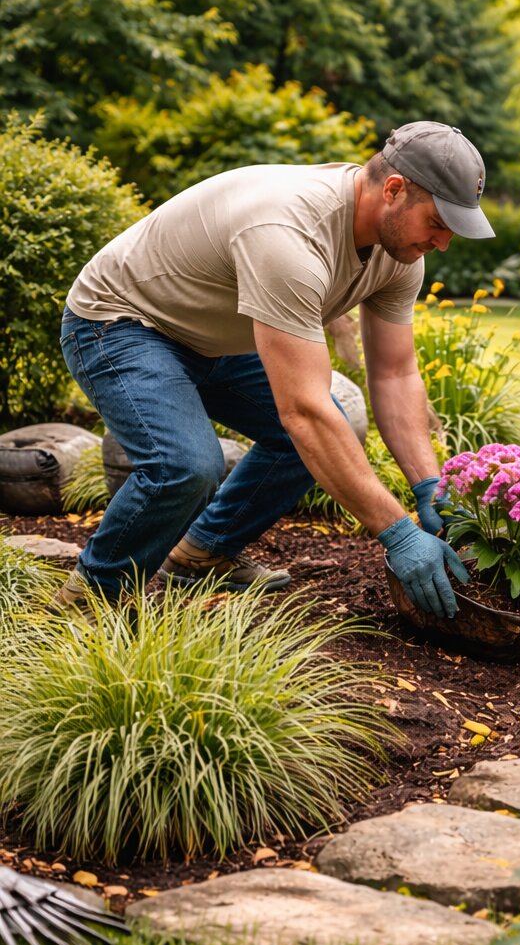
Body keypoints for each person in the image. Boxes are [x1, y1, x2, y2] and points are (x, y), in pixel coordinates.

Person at [56, 121, 494, 617]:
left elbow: (394, 374)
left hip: (217, 335)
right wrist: (396, 533)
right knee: (184, 467)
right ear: (394, 190)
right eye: (438, 223)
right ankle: (89, 598)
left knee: (333, 427)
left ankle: (204, 553)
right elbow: (303, 411)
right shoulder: (290, 234)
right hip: (122, 322)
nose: (442, 243)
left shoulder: (400, 255)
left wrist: (427, 485)